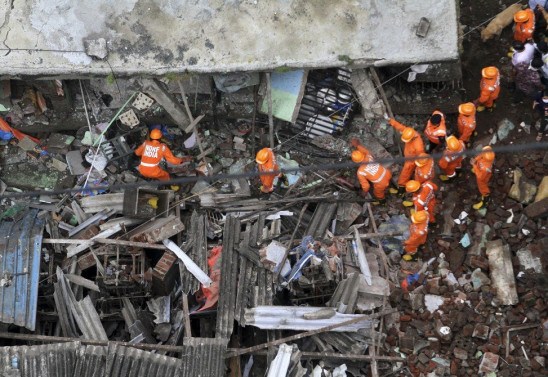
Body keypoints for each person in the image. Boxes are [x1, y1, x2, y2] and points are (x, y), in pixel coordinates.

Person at [385, 116, 425, 194]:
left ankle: (402, 186)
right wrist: (391, 121)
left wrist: (414, 165)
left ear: (412, 138)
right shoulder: (409, 132)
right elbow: (401, 127)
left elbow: (421, 158)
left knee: (406, 172)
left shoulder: (418, 146)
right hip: (408, 156)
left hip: (411, 161)